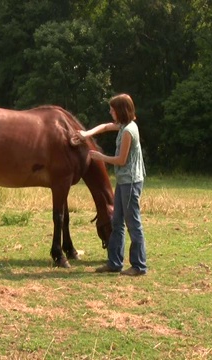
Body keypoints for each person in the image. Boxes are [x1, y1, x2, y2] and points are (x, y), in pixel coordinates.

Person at [73, 93, 147, 276]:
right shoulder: (123, 126)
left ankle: (139, 266)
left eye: (112, 109)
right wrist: (86, 134)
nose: (110, 112)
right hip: (124, 181)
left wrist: (100, 157)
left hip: (131, 182)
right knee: (117, 222)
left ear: (120, 110)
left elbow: (121, 160)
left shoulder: (129, 131)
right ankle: (114, 263)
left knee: (132, 223)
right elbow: (106, 127)